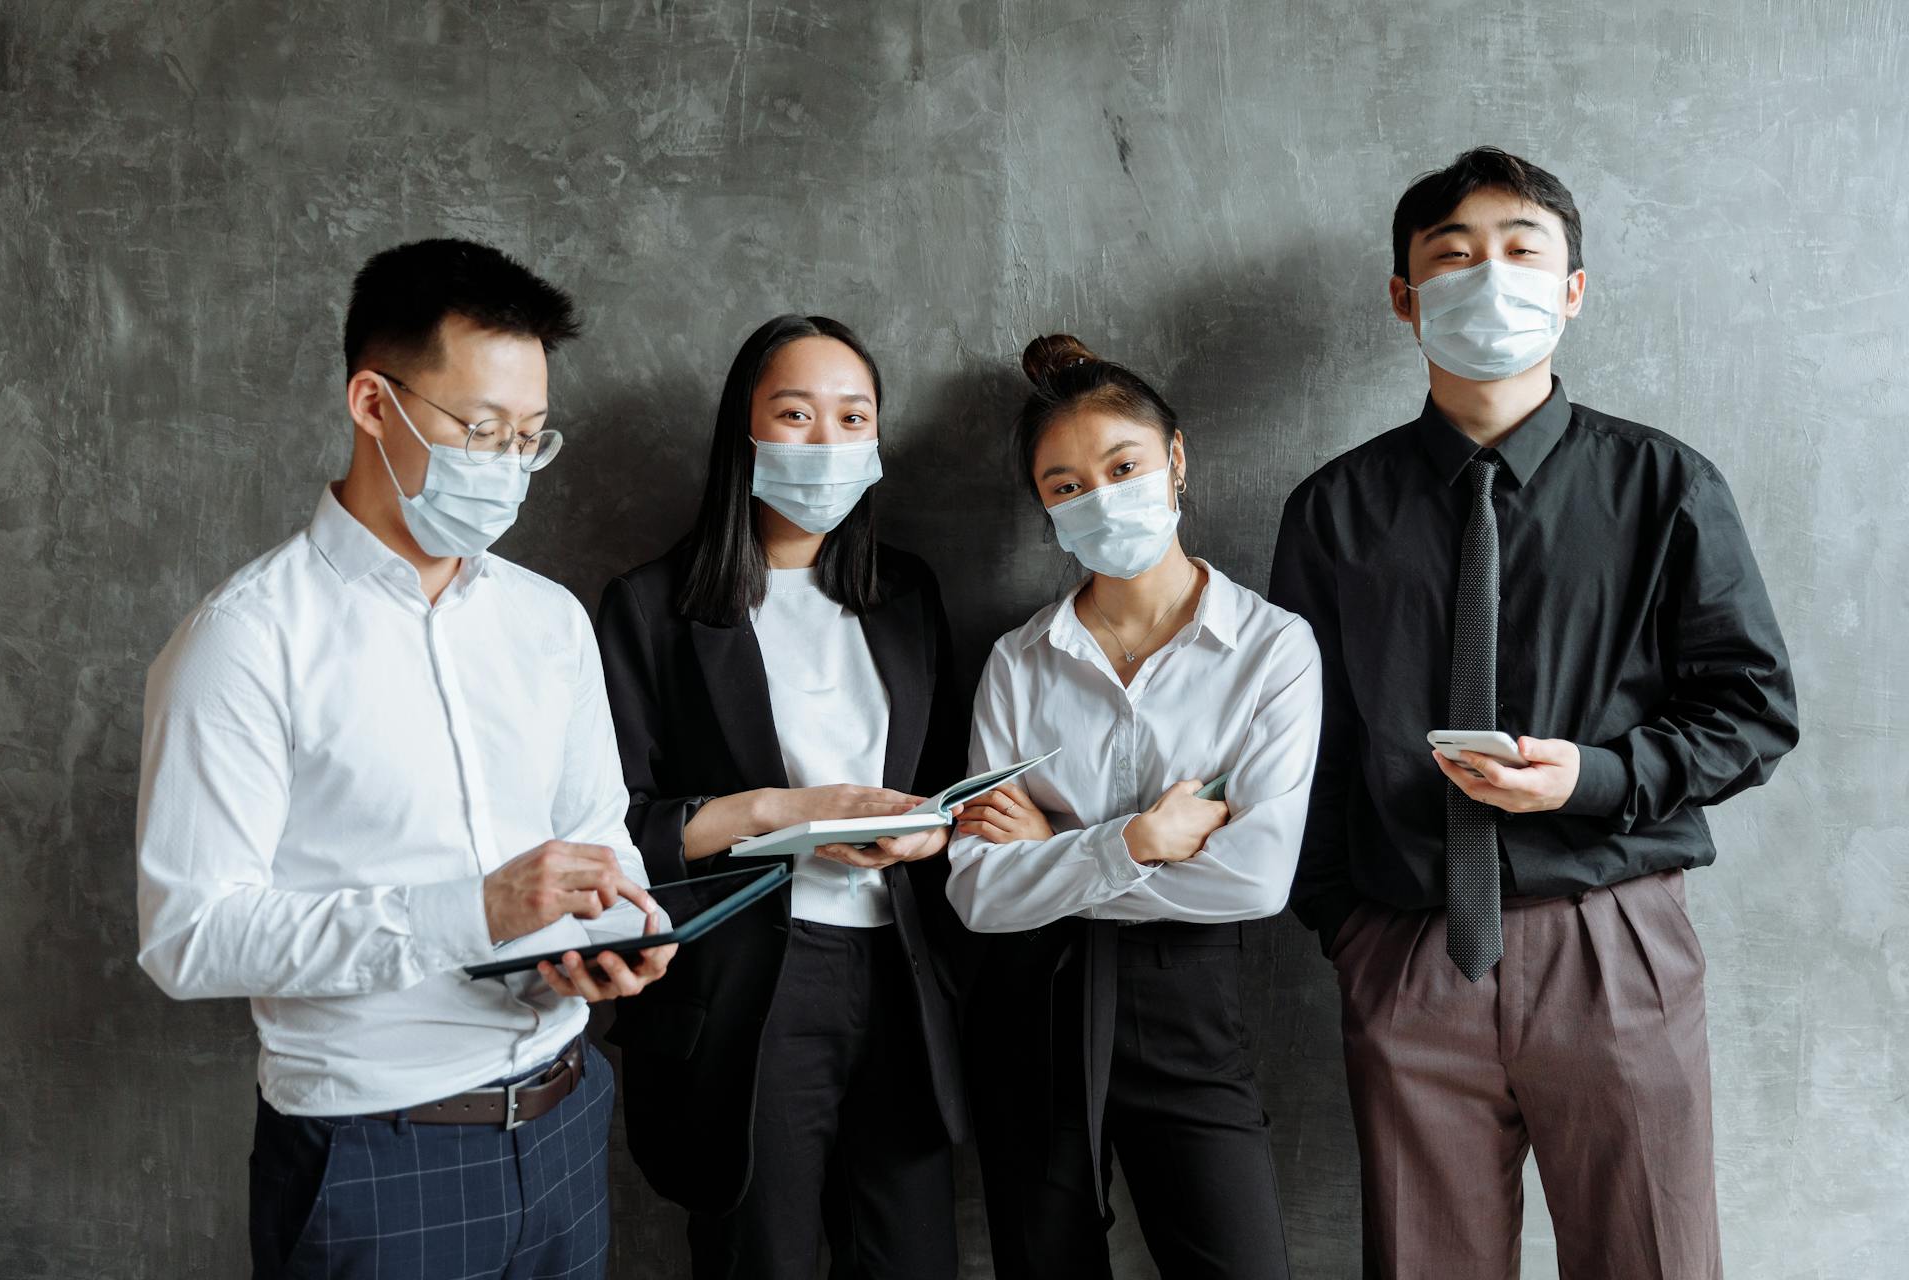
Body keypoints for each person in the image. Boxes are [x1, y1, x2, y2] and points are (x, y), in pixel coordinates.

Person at [1267, 147, 1800, 1279]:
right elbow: (1310, 745)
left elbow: (1752, 711)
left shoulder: (1665, 486)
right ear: (1405, 296)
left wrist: (1593, 777)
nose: (1490, 278)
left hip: (1610, 937)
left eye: (1521, 252)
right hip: (1408, 944)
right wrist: (1350, 930)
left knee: (1652, 1256)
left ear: (1573, 289)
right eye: (1453, 257)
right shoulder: (1332, 510)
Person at [135, 237, 675, 1280]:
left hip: (567, 1118)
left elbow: (597, 835)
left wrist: (624, 928)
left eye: (529, 437)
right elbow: (190, 935)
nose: (507, 464)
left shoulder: (549, 620)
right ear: (373, 403)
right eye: (480, 429)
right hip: (375, 1153)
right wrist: (475, 912)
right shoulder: (245, 640)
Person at [595, 314, 970, 1280]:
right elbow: (617, 827)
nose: (828, 441)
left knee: (913, 1258)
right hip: (748, 988)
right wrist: (777, 813)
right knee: (762, 1259)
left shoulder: (907, 593)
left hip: (900, 973)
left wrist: (927, 834)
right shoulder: (652, 607)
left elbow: (947, 787)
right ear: (745, 430)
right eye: (796, 414)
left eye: (854, 417)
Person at [945, 333, 1321, 1280]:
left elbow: (1254, 879)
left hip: (1188, 999)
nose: (1102, 499)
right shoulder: (1018, 662)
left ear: (1176, 458)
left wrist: (1058, 848)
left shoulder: (1272, 649)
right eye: (1067, 485)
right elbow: (979, 895)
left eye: (1122, 468)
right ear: (1044, 506)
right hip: (1031, 1003)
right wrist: (1142, 839)